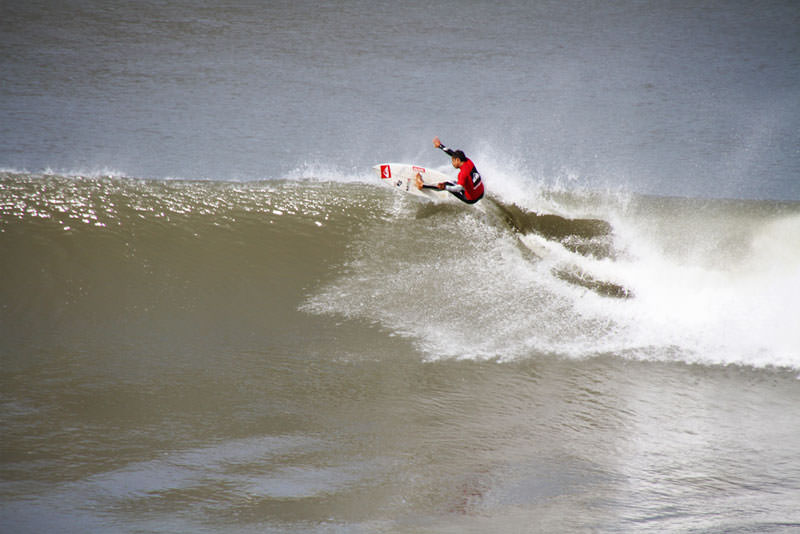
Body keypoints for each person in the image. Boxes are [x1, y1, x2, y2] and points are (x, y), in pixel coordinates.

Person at [415, 136, 484, 204]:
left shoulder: (463, 173)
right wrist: (440, 146)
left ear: (457, 160)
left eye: (453, 161)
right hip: (481, 194)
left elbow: (458, 188)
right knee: (459, 182)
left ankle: (422, 185)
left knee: (448, 184)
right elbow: (453, 153)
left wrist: (445, 187)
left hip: (471, 199)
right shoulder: (469, 161)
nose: (452, 163)